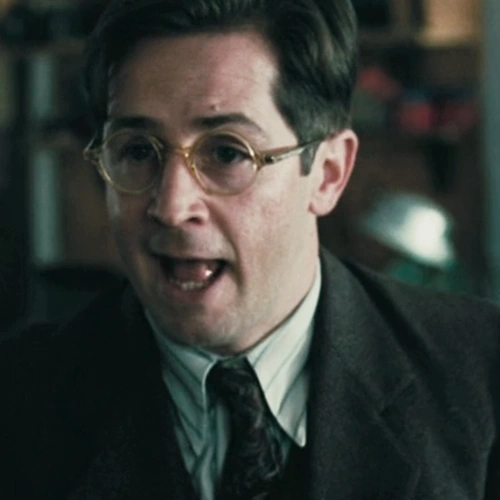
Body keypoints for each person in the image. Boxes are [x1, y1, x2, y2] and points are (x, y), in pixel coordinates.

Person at [1, 0, 499, 499]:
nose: (171, 207)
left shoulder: (483, 377)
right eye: (137, 151)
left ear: (328, 173)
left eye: (227, 152)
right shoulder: (17, 401)